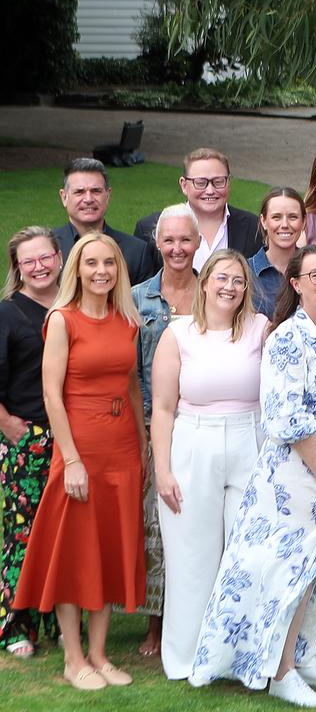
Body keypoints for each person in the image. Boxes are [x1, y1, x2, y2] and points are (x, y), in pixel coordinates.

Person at [189, 246, 316, 708]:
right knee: (294, 567)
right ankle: (278, 669)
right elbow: (286, 418)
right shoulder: (285, 339)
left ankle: (314, 654)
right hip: (303, 474)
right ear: (295, 283)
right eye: (315, 275)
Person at [14, 234, 147, 691]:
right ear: (77, 268)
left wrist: (143, 442)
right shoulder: (61, 320)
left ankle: (99, 653)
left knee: (109, 549)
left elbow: (131, 386)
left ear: (119, 270)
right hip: (79, 448)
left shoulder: (127, 320)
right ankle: (73, 658)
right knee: (75, 551)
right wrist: (70, 459)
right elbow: (52, 394)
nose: (101, 271)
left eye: (109, 263)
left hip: (122, 447)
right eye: (91, 263)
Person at [149, 249, 268, 679]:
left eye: (238, 281)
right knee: (191, 555)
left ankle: (238, 657)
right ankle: (186, 658)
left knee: (246, 553)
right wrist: (163, 470)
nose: (229, 287)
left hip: (249, 439)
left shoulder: (260, 329)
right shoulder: (178, 334)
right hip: (193, 442)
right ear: (204, 282)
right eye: (221, 278)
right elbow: (162, 408)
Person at [130, 203, 203, 656]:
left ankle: (195, 617)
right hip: (151, 421)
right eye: (169, 240)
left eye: (185, 240)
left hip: (202, 421)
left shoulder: (214, 292)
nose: (177, 248)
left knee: (197, 519)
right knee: (156, 523)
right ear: (157, 244)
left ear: (198, 244)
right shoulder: (137, 298)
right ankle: (156, 626)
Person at [0, 228, 63, 659]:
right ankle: (14, 624)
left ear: (59, 257)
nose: (39, 267)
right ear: (18, 268)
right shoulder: (7, 313)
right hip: (28, 438)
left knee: (64, 535)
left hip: (73, 439)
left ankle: (59, 619)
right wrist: (5, 423)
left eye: (45, 257)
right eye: (29, 261)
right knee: (23, 535)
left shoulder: (75, 305)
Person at [134, 148, 261, 271]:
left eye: (218, 181)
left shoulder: (253, 228)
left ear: (228, 182)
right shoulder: (150, 228)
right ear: (184, 185)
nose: (210, 191)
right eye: (200, 183)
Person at [52, 158, 157, 285]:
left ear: (107, 196)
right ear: (64, 197)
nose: (88, 199)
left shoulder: (136, 252)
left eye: (96, 191)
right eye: (79, 192)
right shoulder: (47, 248)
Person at [249, 187, 306, 315]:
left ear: (303, 222)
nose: (285, 224)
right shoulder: (245, 272)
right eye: (276, 217)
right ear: (263, 221)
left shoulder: (315, 270)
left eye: (293, 217)